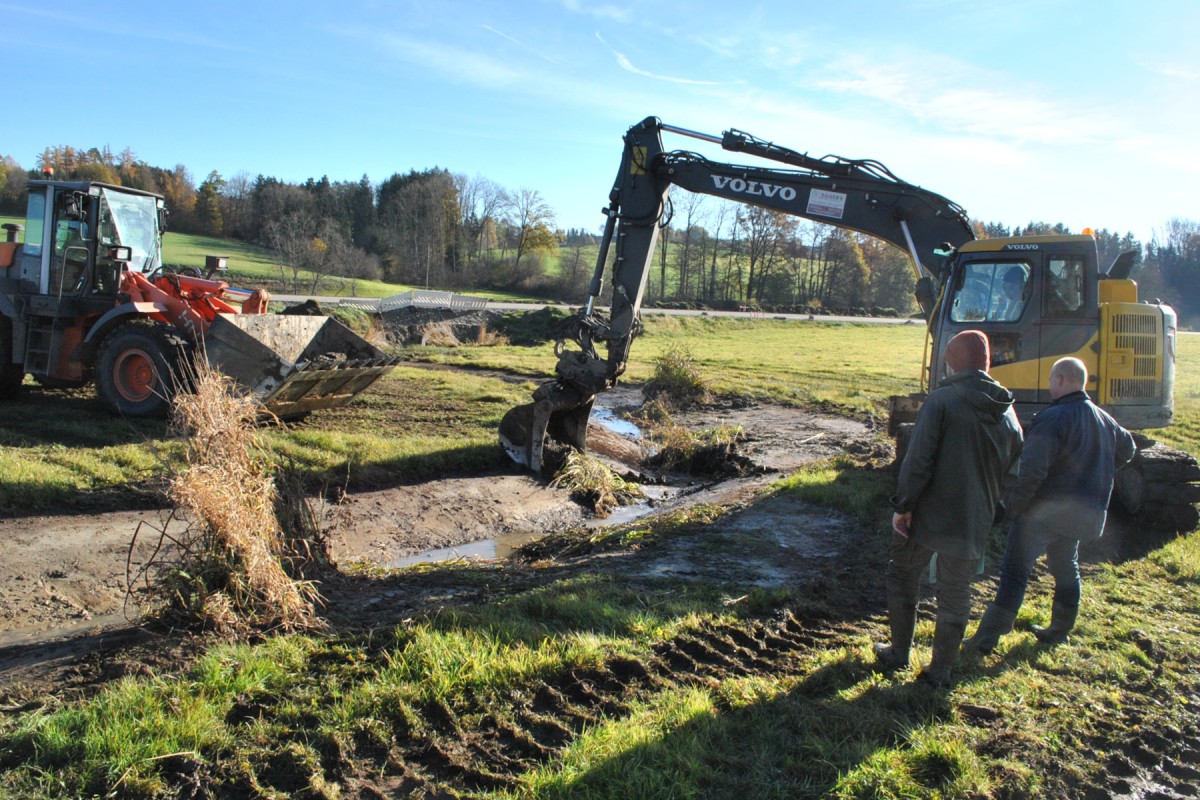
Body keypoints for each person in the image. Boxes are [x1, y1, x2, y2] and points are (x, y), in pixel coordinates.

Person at [875, 330, 1023, 687]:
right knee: (956, 591)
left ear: (952, 362)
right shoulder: (1007, 411)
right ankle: (940, 671)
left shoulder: (941, 401)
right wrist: (993, 510)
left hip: (927, 515)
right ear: (986, 363)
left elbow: (918, 461)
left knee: (902, 575)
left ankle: (898, 653)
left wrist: (903, 506)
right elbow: (1014, 469)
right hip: (974, 520)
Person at [963, 357, 1136, 653]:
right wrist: (1098, 474)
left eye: (1051, 380)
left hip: (1044, 514)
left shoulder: (1052, 418)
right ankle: (1060, 629)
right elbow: (1128, 448)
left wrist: (1010, 508)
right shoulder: (1105, 419)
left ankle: (986, 639)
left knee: (1016, 572)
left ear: (1059, 380)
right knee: (1065, 565)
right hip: (1085, 514)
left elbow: (1032, 473)